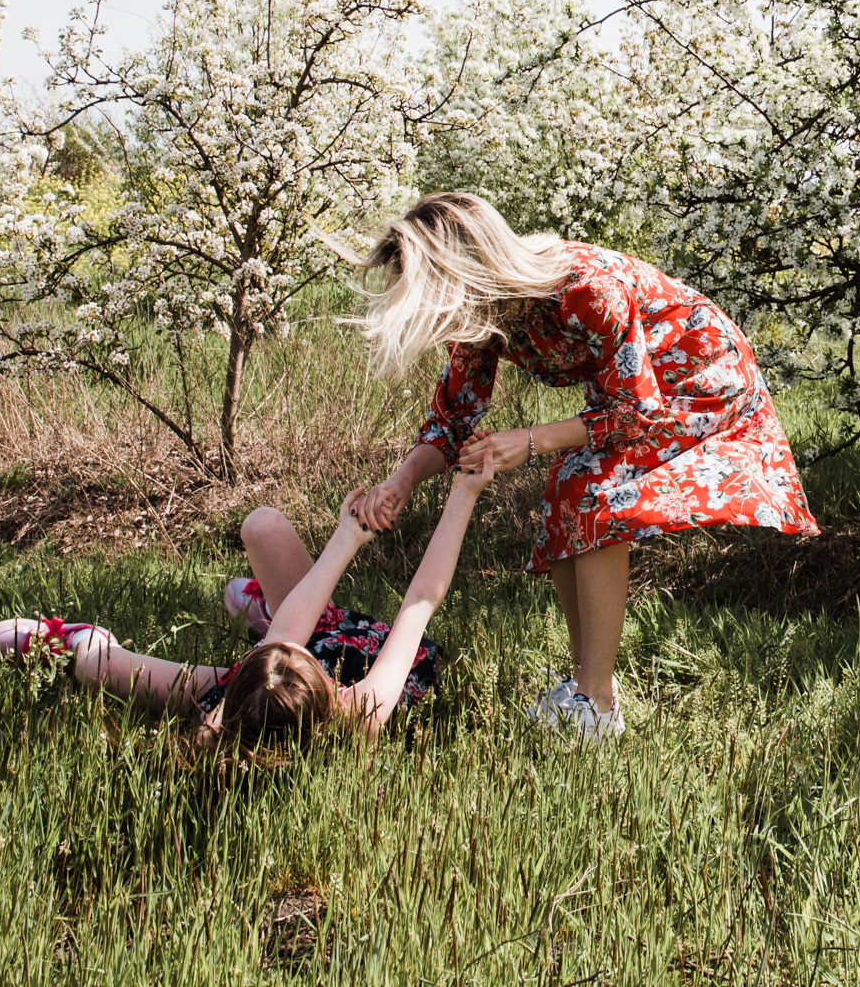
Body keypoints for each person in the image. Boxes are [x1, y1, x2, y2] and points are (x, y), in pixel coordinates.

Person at [346, 191, 819, 740]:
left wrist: (531, 438)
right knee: (571, 486)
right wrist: (400, 481)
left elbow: (638, 410)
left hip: (698, 377)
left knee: (593, 493)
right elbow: (452, 421)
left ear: (467, 269)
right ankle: (589, 690)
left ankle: (595, 703)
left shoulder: (584, 289)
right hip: (637, 396)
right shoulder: (481, 315)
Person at [0, 468, 490, 751]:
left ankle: (80, 638)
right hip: (359, 658)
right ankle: (269, 610)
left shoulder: (218, 727)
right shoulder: (362, 712)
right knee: (267, 539)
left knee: (97, 663)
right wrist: (464, 489)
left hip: (267, 681)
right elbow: (420, 600)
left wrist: (349, 535)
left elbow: (289, 647)